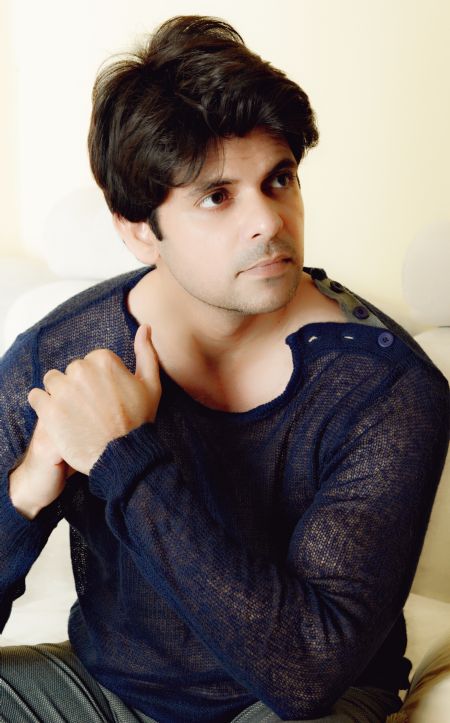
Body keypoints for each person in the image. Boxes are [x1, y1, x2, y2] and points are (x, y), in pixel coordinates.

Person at [0, 14, 448, 723]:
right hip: (106, 693)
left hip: (292, 705)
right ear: (138, 230)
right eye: (217, 195)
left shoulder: (386, 390)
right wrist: (27, 489)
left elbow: (306, 672)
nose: (268, 221)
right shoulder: (59, 355)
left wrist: (124, 457)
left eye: (279, 179)